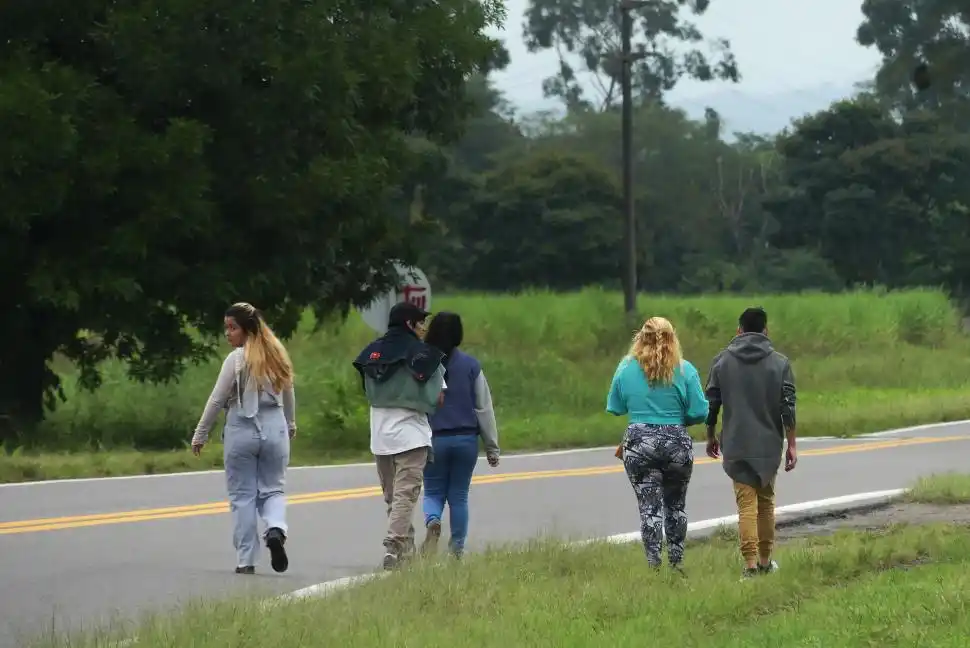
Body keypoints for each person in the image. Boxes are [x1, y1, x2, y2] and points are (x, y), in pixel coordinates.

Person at [191, 302, 296, 575]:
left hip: (241, 429)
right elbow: (288, 392)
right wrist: (290, 423)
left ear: (247, 329)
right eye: (226, 328)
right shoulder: (277, 354)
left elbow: (216, 400)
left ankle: (246, 560)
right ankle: (275, 529)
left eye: (232, 328)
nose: (228, 333)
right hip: (275, 427)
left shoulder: (236, 360)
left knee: (242, 496)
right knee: (273, 489)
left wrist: (201, 433)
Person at [606, 316, 709, 572]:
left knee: (649, 507)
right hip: (676, 442)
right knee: (676, 504)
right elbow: (700, 412)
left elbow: (615, 406)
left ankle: (654, 564)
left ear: (640, 337)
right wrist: (677, 420)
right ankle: (676, 562)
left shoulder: (626, 368)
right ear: (673, 339)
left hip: (639, 442)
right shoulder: (685, 370)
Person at [704, 306, 798, 580]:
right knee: (766, 503)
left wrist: (710, 435)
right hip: (768, 445)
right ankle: (766, 561)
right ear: (766, 331)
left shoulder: (721, 362)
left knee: (746, 505)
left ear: (739, 331)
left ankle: (749, 566)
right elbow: (788, 408)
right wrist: (792, 444)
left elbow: (712, 404)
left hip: (736, 444)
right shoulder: (780, 363)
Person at [353, 301, 447, 570]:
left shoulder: (371, 353)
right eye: (420, 322)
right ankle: (393, 547)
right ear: (409, 324)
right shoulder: (425, 355)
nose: (424, 327)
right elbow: (439, 397)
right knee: (406, 496)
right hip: (412, 437)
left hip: (380, 437)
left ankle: (406, 553)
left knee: (394, 499)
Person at [420, 311, 500, 559]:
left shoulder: (421, 364)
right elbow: (484, 408)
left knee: (433, 491)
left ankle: (433, 520)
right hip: (465, 439)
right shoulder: (471, 365)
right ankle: (456, 550)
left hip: (434, 438)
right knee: (459, 496)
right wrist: (492, 446)